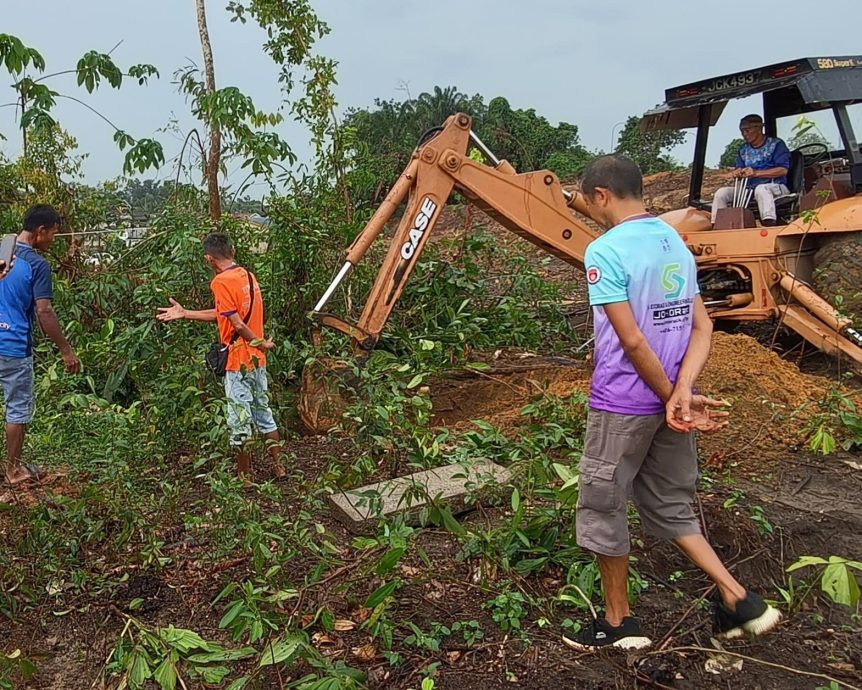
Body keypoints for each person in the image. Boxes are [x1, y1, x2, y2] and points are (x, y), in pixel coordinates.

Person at [563, 155, 780, 651]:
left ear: (601, 195)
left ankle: (619, 623)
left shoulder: (604, 250)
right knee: (670, 505)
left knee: (603, 507)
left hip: (622, 403)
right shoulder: (674, 243)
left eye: (590, 201)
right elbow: (703, 326)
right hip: (673, 404)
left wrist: (669, 397)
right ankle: (738, 598)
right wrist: (682, 393)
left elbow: (632, 340)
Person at [156, 233, 286, 481]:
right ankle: (279, 467)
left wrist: (262, 343)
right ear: (232, 251)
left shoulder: (221, 282)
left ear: (209, 259)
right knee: (264, 413)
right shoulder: (247, 276)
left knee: (239, 421)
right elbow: (224, 314)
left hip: (238, 362)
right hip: (257, 361)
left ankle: (244, 477)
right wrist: (186, 313)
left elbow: (236, 324)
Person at [1, 204, 81, 485]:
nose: (53, 240)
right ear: (40, 231)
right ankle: (13, 471)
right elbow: (44, 311)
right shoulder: (37, 265)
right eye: (53, 234)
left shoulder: (3, 250)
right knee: (17, 408)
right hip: (13, 346)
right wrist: (66, 350)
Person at [711, 114, 792, 227]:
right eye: (742, 131)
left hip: (775, 186)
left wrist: (756, 173)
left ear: (759, 128)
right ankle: (717, 224)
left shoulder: (776, 145)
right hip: (749, 190)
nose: (744, 134)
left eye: (747, 130)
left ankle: (769, 221)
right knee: (722, 193)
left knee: (761, 189)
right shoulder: (743, 150)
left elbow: (783, 170)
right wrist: (738, 173)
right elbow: (740, 168)